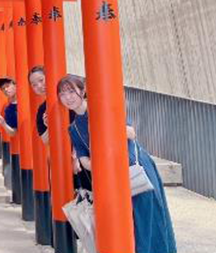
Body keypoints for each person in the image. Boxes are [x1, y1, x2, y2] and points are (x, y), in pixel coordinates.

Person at [57, 74, 176, 253]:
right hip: (111, 178)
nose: (68, 97)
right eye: (63, 94)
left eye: (71, 91)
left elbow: (131, 133)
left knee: (148, 220)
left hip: (134, 170)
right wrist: (103, 163)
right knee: (126, 225)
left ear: (83, 91)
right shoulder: (73, 128)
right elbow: (84, 161)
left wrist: (103, 125)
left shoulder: (102, 109)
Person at [29, 65, 91, 191]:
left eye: (41, 80)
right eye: (34, 84)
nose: (39, 86)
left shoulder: (72, 100)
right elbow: (45, 140)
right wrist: (49, 126)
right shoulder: (42, 110)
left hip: (87, 153)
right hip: (67, 159)